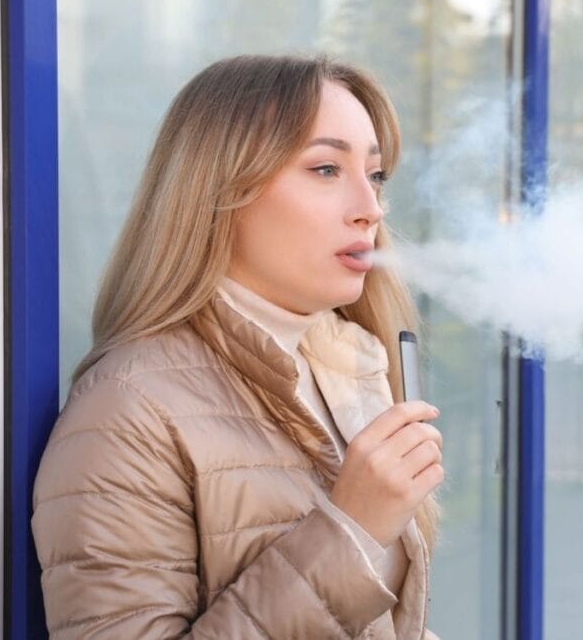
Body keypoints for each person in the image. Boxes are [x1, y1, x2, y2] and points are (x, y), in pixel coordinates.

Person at [31, 54, 445, 639]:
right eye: (326, 169)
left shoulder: (349, 369)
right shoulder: (127, 410)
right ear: (221, 189)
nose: (370, 209)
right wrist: (350, 529)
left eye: (375, 176)